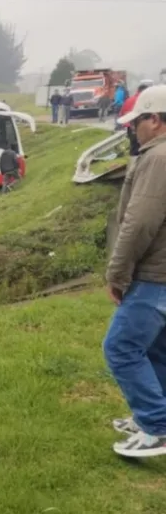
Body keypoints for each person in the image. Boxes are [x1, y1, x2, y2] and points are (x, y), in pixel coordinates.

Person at [103, 84, 166, 458]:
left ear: (154, 120)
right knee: (156, 350)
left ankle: (156, 427)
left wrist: (117, 274)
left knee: (121, 347)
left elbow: (139, 223)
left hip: (153, 276)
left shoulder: (157, 159)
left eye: (137, 121)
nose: (133, 129)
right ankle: (152, 417)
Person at [120, 82, 152, 153]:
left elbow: (122, 113)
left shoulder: (129, 100)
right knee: (145, 148)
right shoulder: (146, 101)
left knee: (134, 147)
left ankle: (134, 162)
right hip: (143, 127)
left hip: (130, 128)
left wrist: (128, 124)